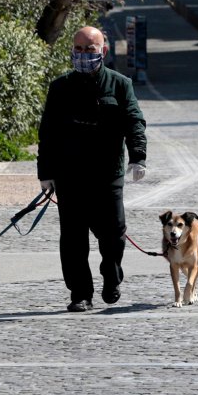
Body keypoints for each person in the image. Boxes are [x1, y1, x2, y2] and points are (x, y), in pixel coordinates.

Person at [37, 25, 147, 312]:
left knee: (114, 235)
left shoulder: (120, 84)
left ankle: (112, 278)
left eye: (91, 49)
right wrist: (45, 173)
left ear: (104, 51)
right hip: (70, 177)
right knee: (73, 241)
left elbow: (134, 121)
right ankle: (80, 293)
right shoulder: (60, 87)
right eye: (79, 49)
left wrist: (138, 156)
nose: (84, 54)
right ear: (72, 51)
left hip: (107, 175)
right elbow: (47, 132)